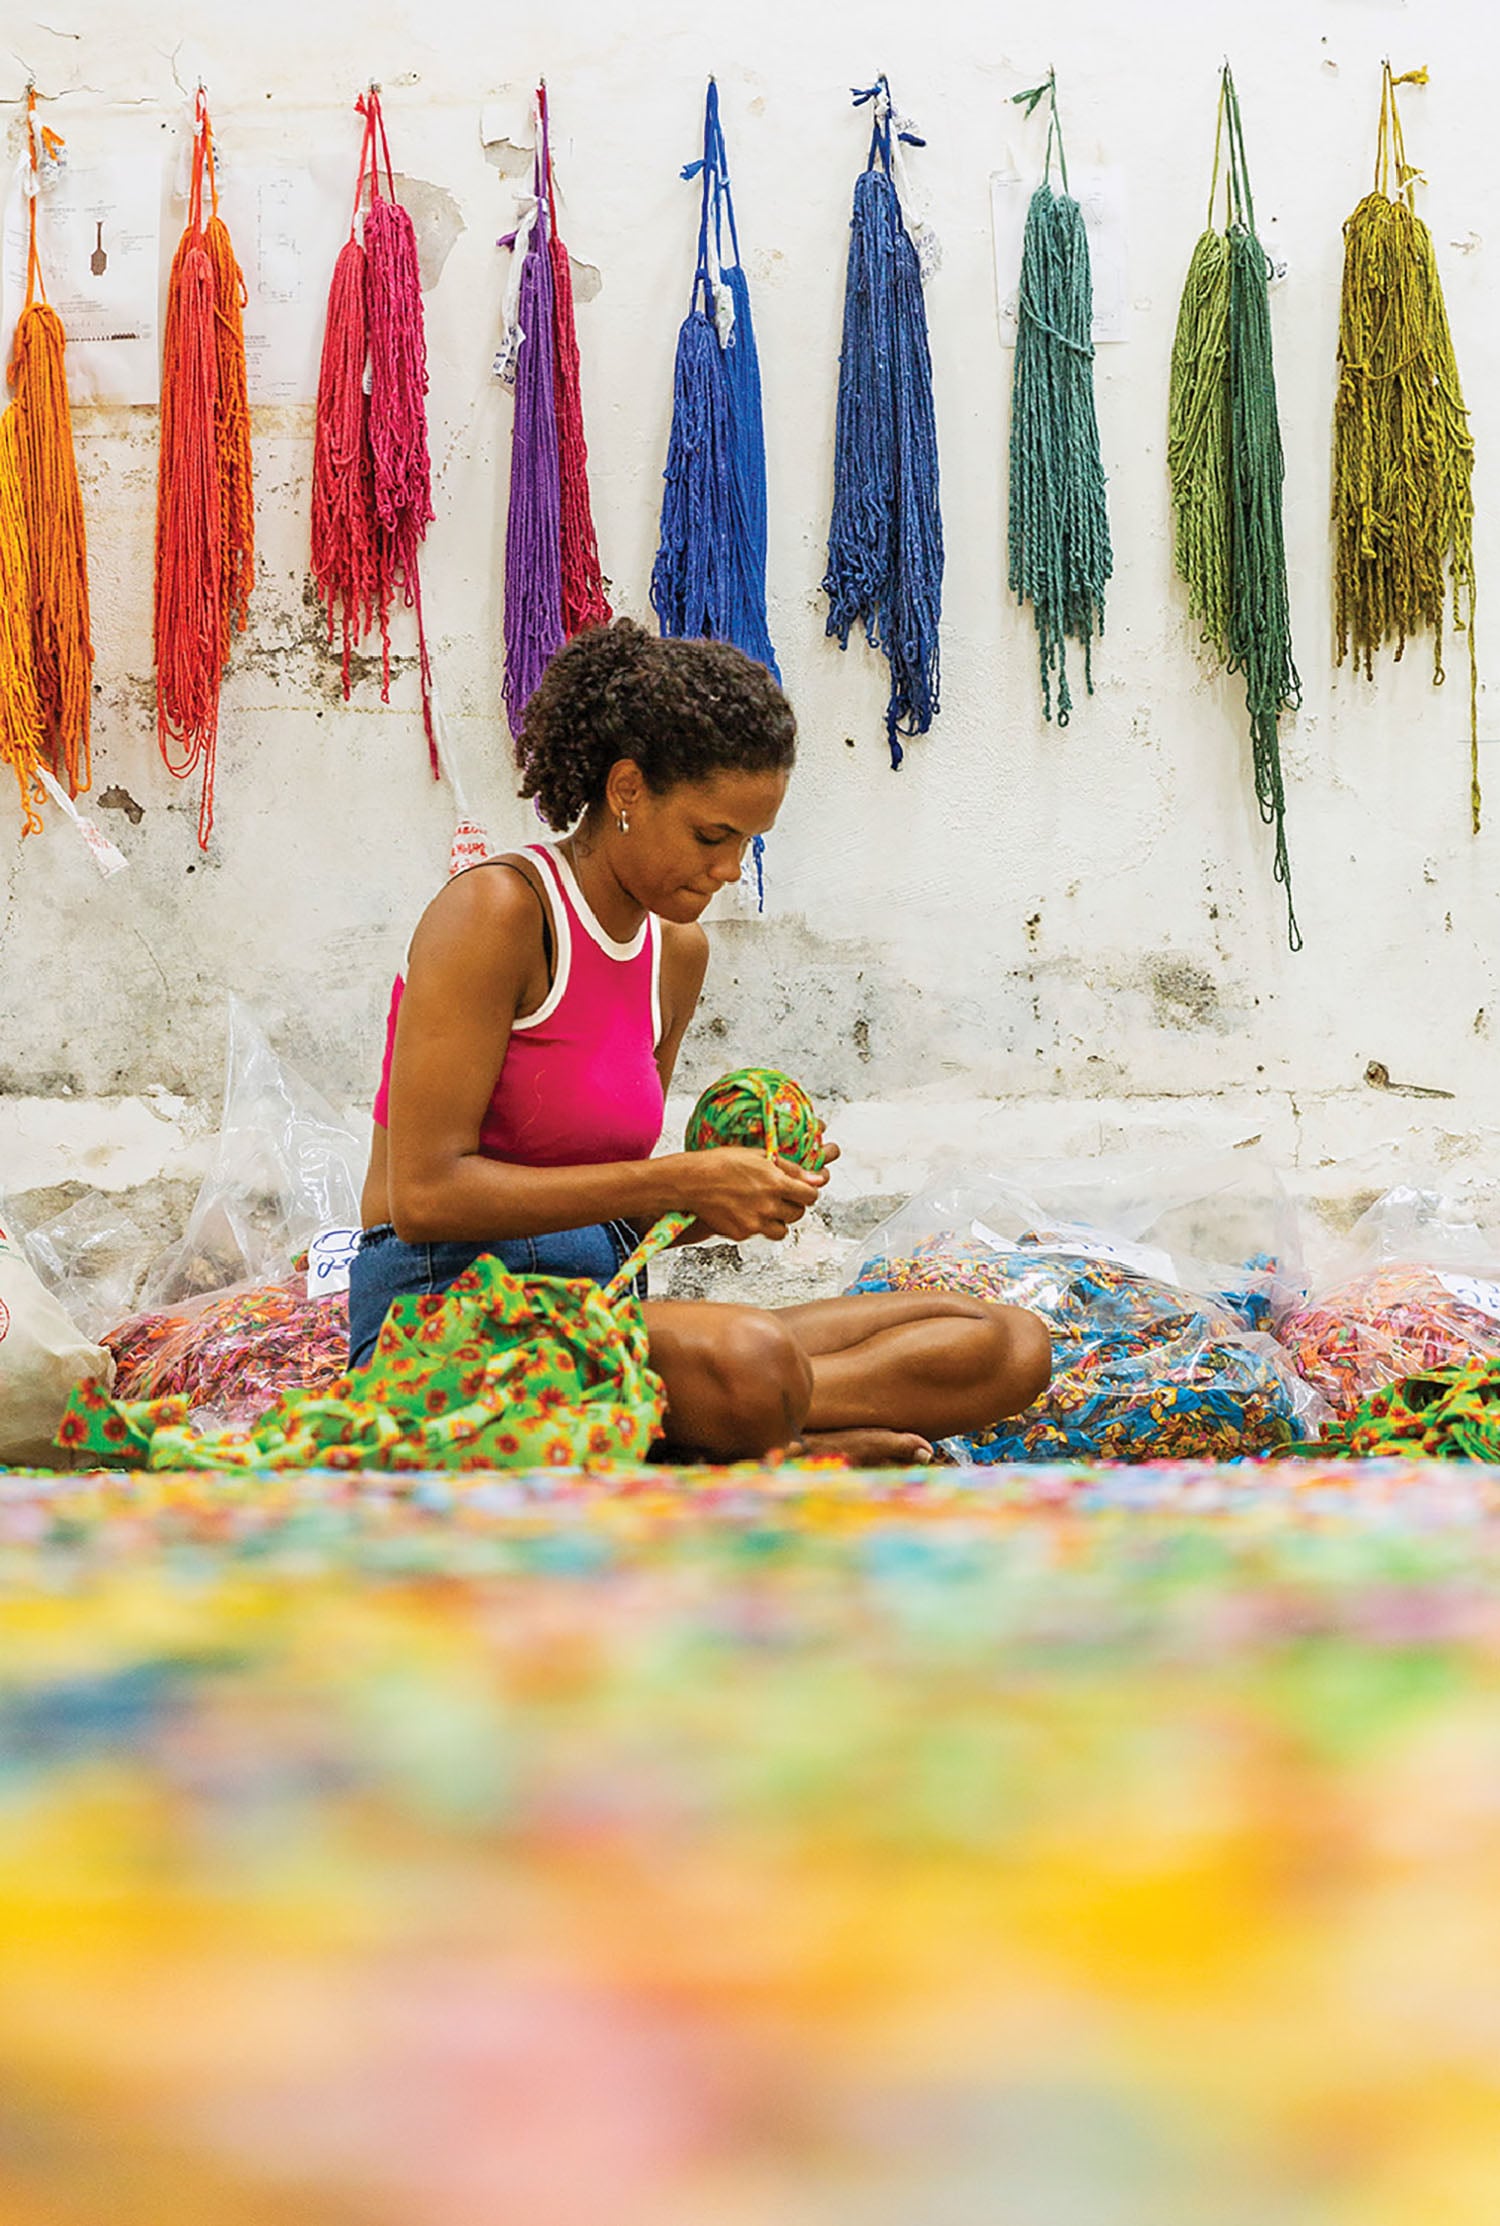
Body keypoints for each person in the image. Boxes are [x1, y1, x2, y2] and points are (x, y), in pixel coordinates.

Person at [349, 620, 1050, 1463]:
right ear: (628, 791)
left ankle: (756, 1426)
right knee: (748, 1358)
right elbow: (423, 1198)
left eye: (749, 842)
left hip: (605, 1317)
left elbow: (615, 1207)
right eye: (712, 837)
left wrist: (725, 1202)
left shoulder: (674, 954)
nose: (729, 869)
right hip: (448, 1331)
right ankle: (767, 1427)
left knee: (1002, 1341)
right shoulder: (499, 913)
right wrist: (682, 1177)